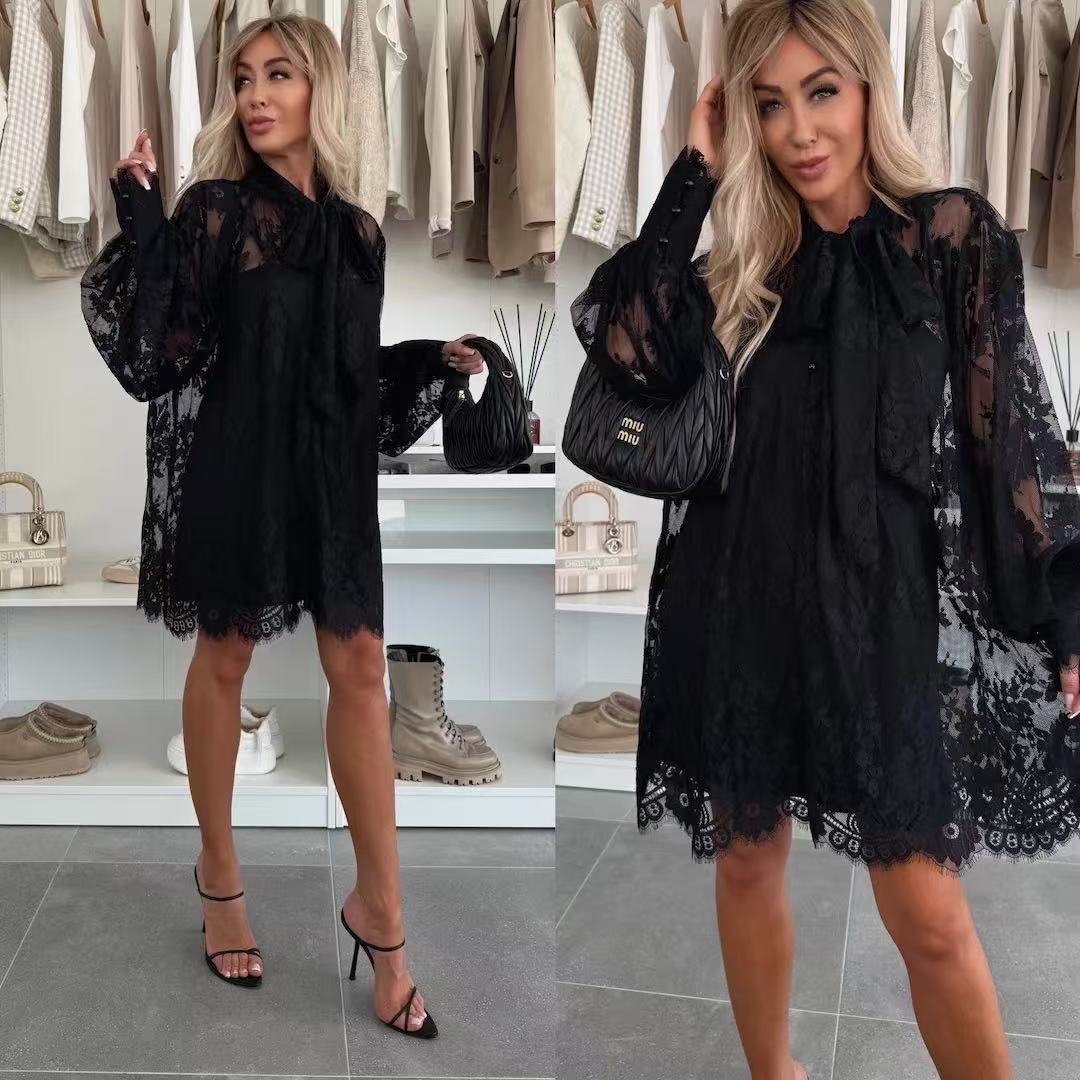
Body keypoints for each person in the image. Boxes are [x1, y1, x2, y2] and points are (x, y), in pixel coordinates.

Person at [569, 0, 1080, 1077]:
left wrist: (1067, 608)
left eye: (821, 93)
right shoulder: (740, 269)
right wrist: (695, 172)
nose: (799, 131)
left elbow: (1015, 448)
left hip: (881, 617)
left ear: (867, 91)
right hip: (738, 598)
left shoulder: (949, 238)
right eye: (769, 104)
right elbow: (621, 341)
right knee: (748, 860)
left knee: (926, 912)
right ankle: (776, 1071)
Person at [80, 13, 486, 1037]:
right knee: (225, 658)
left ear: (322, 90)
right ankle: (219, 872)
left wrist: (429, 359)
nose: (256, 95)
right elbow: (160, 345)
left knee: (361, 669)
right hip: (240, 470)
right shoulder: (216, 210)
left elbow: (349, 375)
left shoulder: (359, 233)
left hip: (330, 483)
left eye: (280, 75)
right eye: (243, 78)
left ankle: (382, 917)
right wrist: (138, 206)